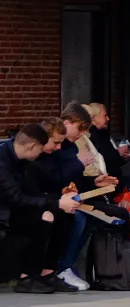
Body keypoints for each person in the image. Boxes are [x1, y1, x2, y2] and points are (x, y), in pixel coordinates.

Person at [2, 120, 88, 292]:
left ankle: (47, 272)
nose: (42, 153)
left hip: (15, 209)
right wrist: (56, 202)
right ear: (32, 146)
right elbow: (16, 198)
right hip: (5, 213)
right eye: (41, 148)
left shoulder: (22, 161)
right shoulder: (3, 161)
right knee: (44, 217)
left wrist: (60, 201)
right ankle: (26, 277)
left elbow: (32, 193)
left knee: (64, 214)